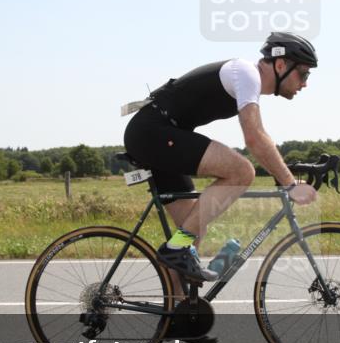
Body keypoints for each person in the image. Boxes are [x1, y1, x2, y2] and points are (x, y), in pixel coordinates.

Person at [123, 32, 319, 284]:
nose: (305, 83)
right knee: (242, 171)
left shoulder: (248, 81)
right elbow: (255, 137)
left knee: (190, 233)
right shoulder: (247, 74)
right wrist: (290, 184)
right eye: (303, 74)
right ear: (281, 65)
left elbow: (259, 137)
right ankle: (176, 251)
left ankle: (177, 312)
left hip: (158, 135)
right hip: (154, 132)